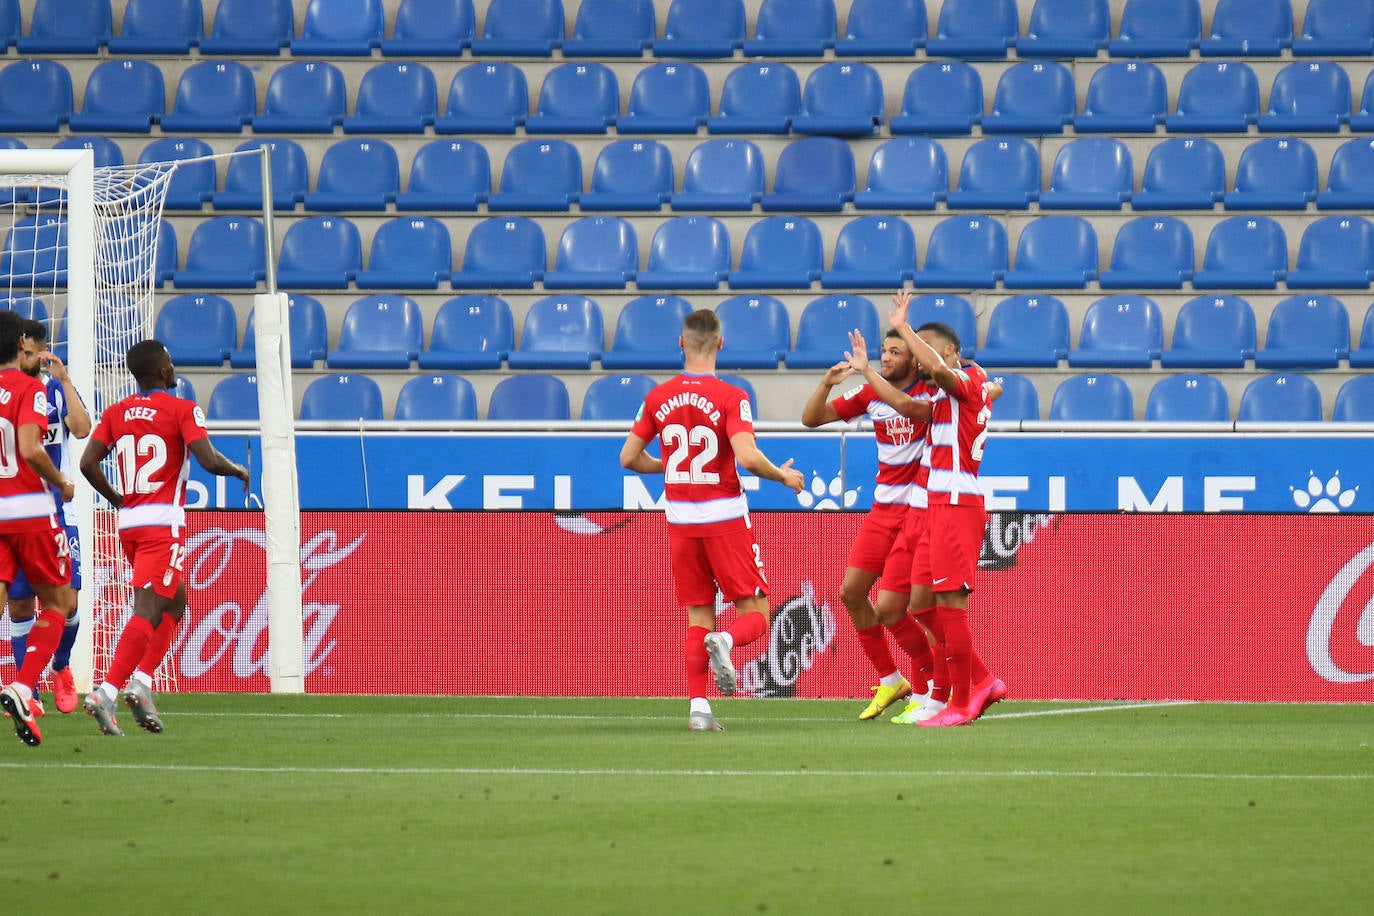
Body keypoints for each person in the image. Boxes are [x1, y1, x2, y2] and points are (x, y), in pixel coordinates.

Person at [620, 309, 804, 732]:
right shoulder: (731, 396)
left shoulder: (657, 397)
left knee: (698, 616)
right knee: (755, 612)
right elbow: (746, 457)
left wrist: (668, 466)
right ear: (720, 344)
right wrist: (783, 475)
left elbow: (628, 457)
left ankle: (699, 710)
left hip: (680, 521)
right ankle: (727, 642)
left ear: (680, 343)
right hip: (724, 518)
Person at [846, 292, 1007, 727]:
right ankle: (973, 685)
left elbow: (938, 369)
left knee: (949, 602)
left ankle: (963, 696)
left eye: (923, 348)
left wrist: (904, 328)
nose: (918, 360)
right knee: (924, 606)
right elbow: (904, 404)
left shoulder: (965, 379)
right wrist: (865, 372)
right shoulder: (949, 398)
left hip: (956, 501)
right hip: (939, 503)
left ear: (950, 352)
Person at [79, 339, 248, 736]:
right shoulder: (182, 409)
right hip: (163, 524)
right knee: (149, 608)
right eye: (170, 364)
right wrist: (236, 469)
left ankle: (143, 682)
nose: (174, 369)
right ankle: (106, 691)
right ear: (164, 372)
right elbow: (206, 459)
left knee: (175, 604)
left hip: (131, 522)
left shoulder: (117, 412)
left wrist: (119, 500)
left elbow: (88, 463)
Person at [801, 329, 943, 721]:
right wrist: (826, 385)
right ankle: (890, 677)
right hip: (883, 511)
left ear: (915, 360)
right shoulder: (871, 395)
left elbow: (912, 406)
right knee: (850, 592)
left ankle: (931, 685)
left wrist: (869, 375)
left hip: (919, 512)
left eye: (896, 352)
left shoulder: (932, 394)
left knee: (908, 606)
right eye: (885, 351)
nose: (887, 357)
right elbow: (811, 419)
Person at [0, 311, 79, 747]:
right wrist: (61, 480)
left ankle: (23, 690)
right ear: (19, 347)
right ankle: (24, 688)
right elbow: (30, 448)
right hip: (30, 509)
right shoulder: (29, 388)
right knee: (56, 602)